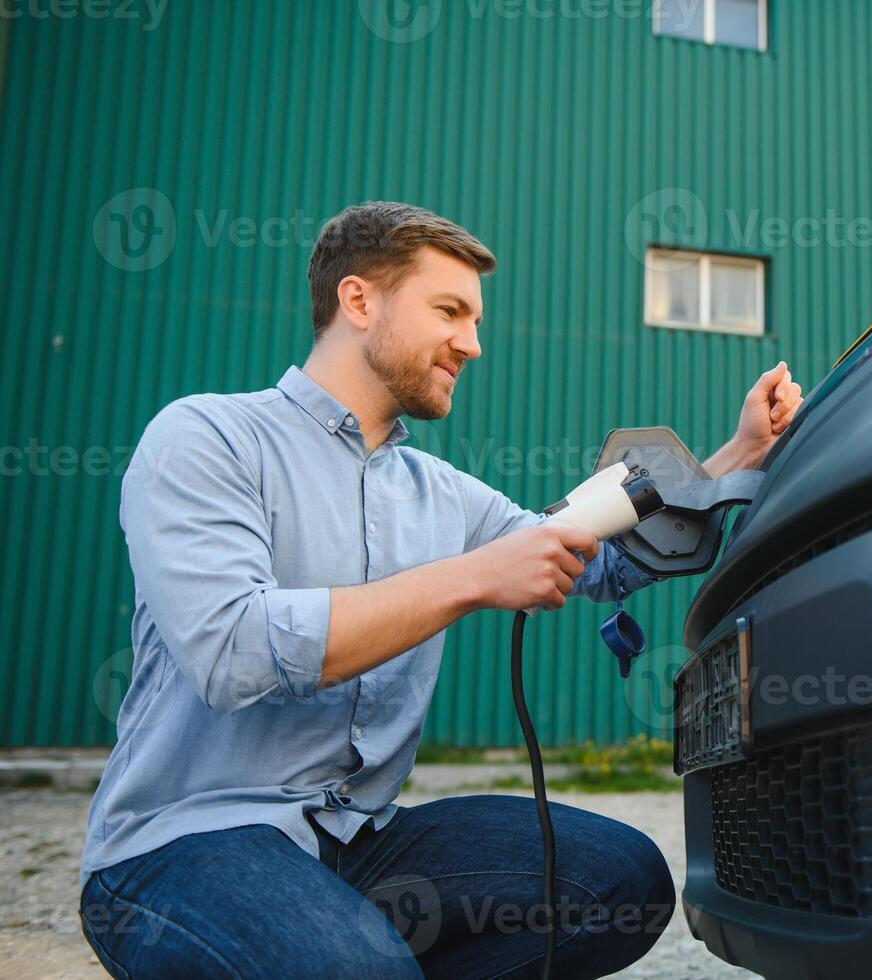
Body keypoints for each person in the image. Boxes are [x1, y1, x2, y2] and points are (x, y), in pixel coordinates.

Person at [77, 201, 803, 979]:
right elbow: (234, 651)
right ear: (358, 301)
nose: (473, 343)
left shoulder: (442, 493)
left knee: (617, 881)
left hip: (360, 838)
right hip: (182, 843)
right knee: (355, 969)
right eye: (450, 311)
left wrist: (739, 454)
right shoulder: (207, 438)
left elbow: (595, 561)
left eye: (476, 318)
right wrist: (470, 578)